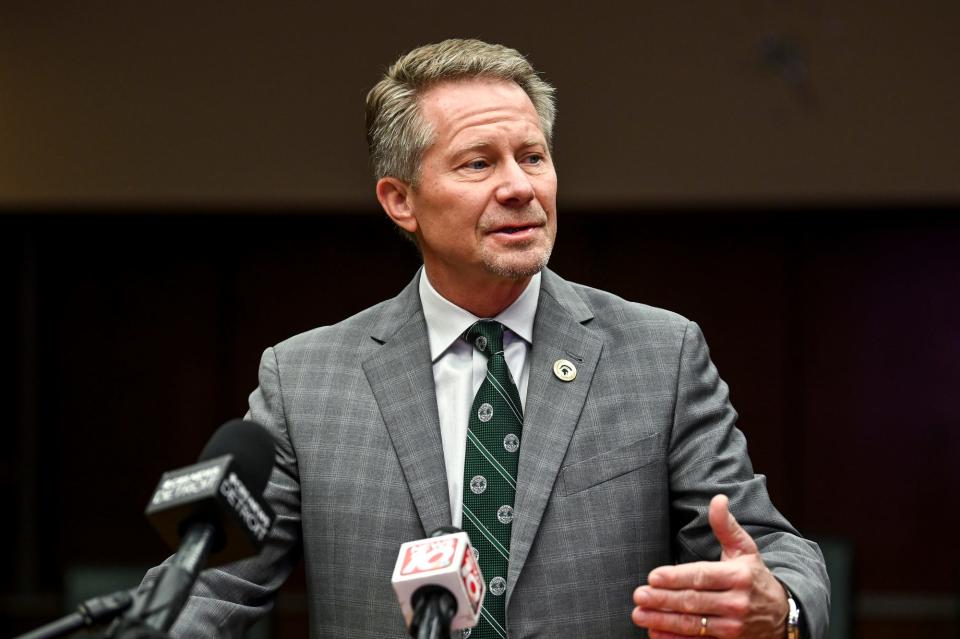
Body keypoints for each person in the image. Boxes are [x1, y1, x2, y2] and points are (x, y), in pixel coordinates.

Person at [146, 38, 829, 638]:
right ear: (399, 199)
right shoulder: (308, 380)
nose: (519, 187)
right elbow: (213, 585)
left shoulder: (659, 355)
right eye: (478, 163)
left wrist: (784, 607)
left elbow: (768, 549)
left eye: (532, 156)